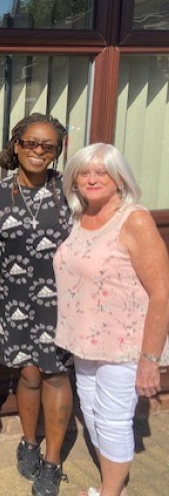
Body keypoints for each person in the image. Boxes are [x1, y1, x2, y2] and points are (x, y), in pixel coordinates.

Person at [54, 143, 169, 496]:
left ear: (119, 178)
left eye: (101, 171)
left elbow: (162, 293)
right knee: (90, 410)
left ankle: (110, 491)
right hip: (85, 341)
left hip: (124, 345)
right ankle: (110, 483)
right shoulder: (80, 217)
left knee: (113, 420)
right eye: (84, 172)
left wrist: (150, 360)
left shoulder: (134, 219)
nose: (92, 179)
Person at [0, 113, 73, 496]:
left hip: (61, 302)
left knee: (55, 375)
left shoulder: (71, 191)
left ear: (56, 153)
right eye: (31, 143)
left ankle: (52, 461)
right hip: (14, 299)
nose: (38, 151)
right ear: (16, 145)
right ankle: (28, 442)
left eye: (47, 146)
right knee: (29, 374)